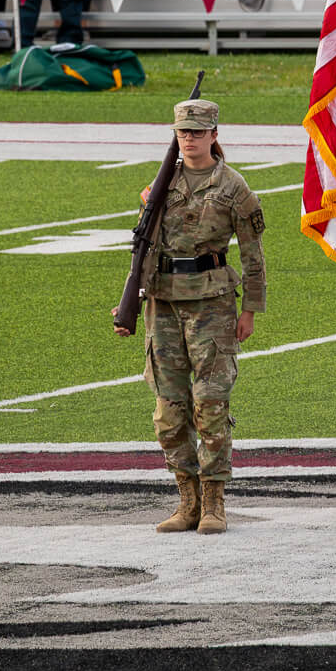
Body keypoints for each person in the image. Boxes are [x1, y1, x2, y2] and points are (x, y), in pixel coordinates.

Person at [116, 97, 266, 536]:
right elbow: (144, 246)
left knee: (211, 405)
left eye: (198, 132)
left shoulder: (234, 188)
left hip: (213, 305)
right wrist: (130, 300)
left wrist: (251, 309)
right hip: (163, 303)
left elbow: (253, 257)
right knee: (169, 409)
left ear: (215, 135)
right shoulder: (161, 185)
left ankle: (215, 501)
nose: (190, 139)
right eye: (183, 132)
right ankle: (187, 499)